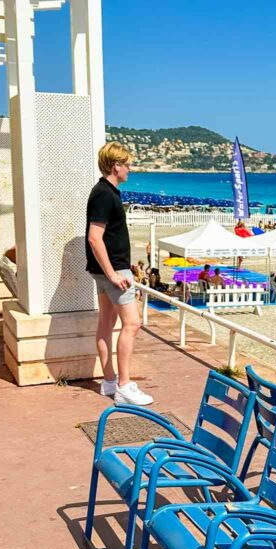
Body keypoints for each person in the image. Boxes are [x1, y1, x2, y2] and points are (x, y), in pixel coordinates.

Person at [86, 142, 153, 406]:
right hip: (113, 270)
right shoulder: (105, 194)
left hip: (105, 269)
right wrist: (114, 274)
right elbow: (95, 237)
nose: (130, 170)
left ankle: (110, 381)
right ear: (116, 166)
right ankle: (124, 385)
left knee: (106, 323)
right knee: (132, 324)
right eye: (128, 165)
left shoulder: (105, 191)